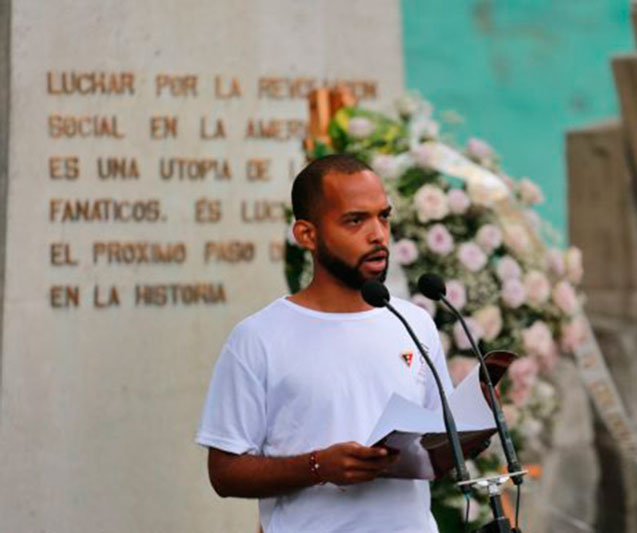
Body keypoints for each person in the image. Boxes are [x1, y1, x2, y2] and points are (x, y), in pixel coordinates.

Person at [196, 154, 472, 533]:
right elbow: (224, 473)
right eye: (356, 220)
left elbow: (435, 447)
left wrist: (467, 438)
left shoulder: (414, 323)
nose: (377, 234)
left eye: (384, 216)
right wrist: (317, 466)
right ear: (307, 235)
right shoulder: (258, 338)